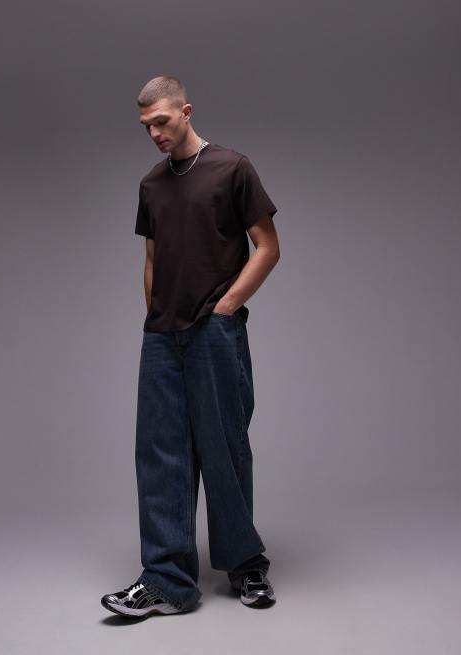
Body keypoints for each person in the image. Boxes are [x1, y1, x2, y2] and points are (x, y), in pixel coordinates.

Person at [101, 76, 281, 619]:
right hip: (162, 336)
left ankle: (246, 565)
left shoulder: (232, 168)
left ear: (185, 111)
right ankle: (167, 582)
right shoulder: (151, 185)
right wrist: (155, 318)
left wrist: (226, 307)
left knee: (224, 448)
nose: (154, 133)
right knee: (160, 456)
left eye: (161, 121)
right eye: (145, 126)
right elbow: (152, 260)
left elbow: (267, 247)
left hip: (213, 331)